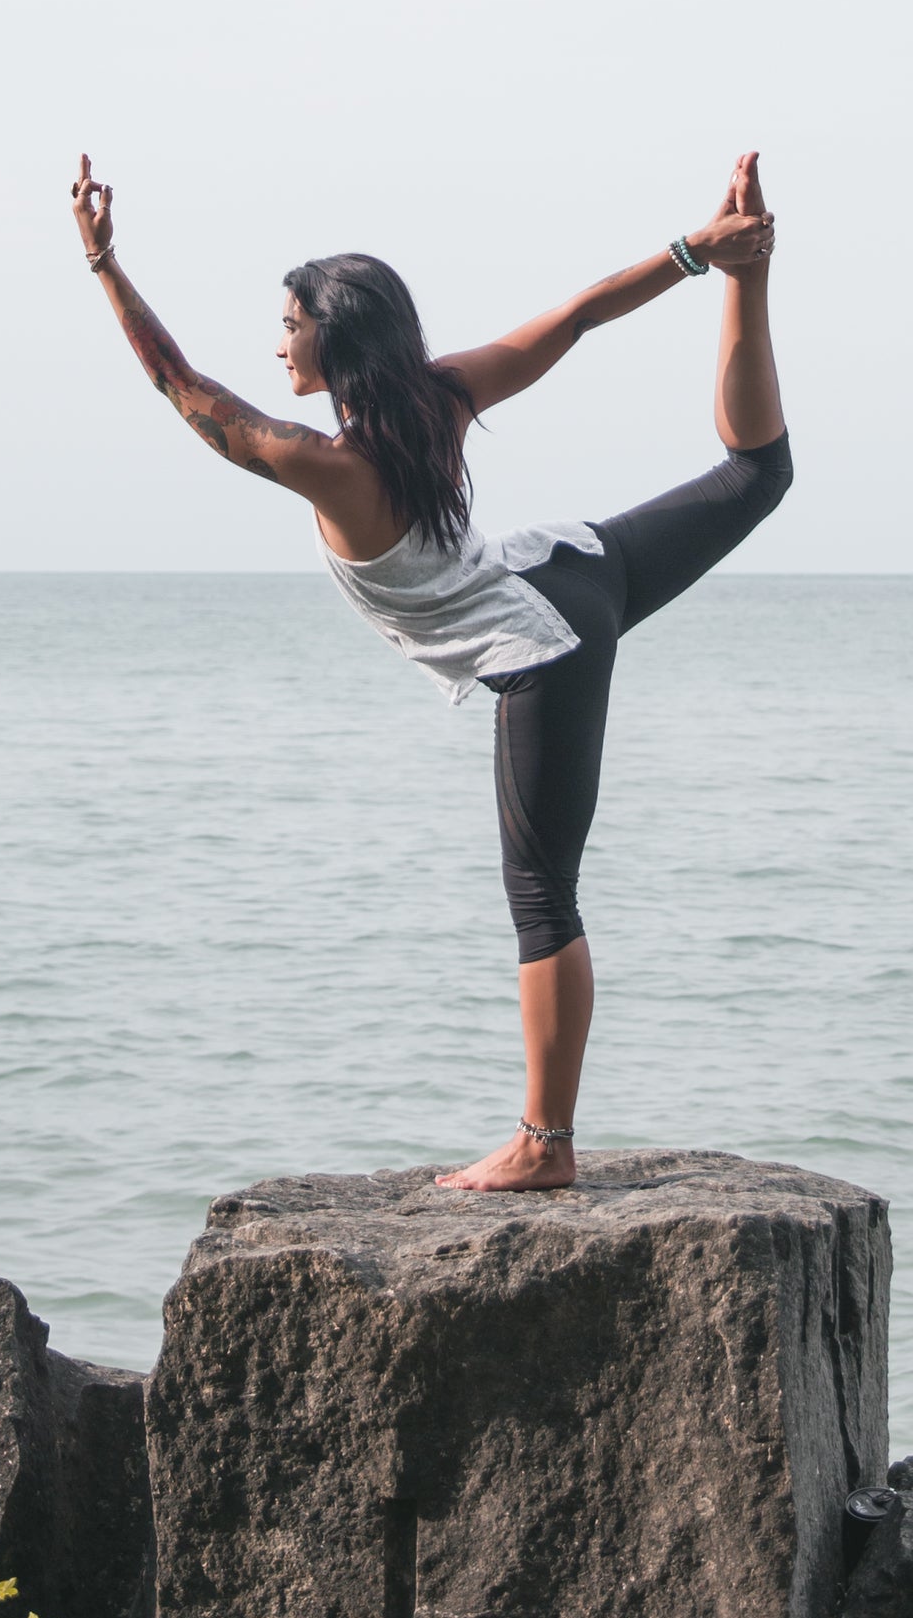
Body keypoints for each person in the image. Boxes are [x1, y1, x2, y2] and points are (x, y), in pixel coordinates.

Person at [68, 149, 789, 1191]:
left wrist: (103, 262)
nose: (277, 344)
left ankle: (545, 1146)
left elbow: (183, 387)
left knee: (543, 895)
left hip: (541, 643)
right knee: (755, 474)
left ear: (335, 333)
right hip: (580, 565)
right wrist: (701, 252)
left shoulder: (328, 466)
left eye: (288, 325)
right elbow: (577, 315)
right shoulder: (439, 397)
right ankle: (751, 278)